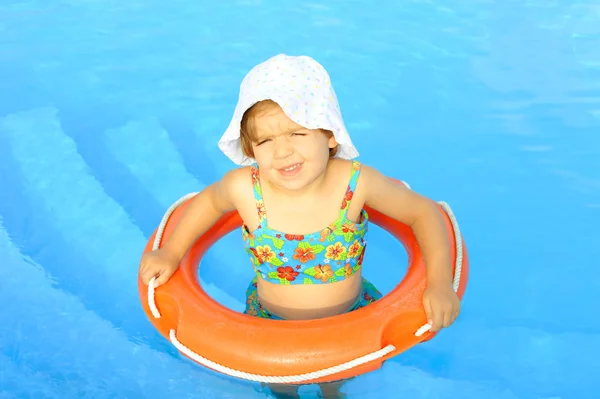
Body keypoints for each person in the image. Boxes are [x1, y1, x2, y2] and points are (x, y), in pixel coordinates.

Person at [139, 54, 460, 399]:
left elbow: (423, 213)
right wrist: (171, 251)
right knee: (280, 383)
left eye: (297, 132)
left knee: (336, 378)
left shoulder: (356, 183)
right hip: (270, 324)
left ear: (330, 135)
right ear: (250, 149)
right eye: (265, 141)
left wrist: (439, 283)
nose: (282, 152)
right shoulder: (244, 189)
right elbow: (207, 203)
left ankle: (333, 393)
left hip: (350, 319)